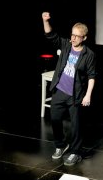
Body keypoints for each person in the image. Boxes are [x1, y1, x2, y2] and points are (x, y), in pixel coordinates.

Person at [42, 11, 97, 166]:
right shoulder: (66, 44)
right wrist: (45, 20)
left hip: (75, 95)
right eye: (72, 35)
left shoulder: (88, 54)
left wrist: (88, 95)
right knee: (54, 119)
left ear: (84, 38)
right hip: (60, 91)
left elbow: (92, 76)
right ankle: (60, 145)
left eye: (77, 36)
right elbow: (50, 35)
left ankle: (75, 152)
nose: (73, 38)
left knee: (76, 126)